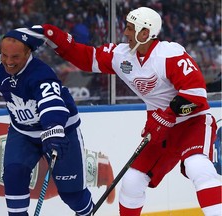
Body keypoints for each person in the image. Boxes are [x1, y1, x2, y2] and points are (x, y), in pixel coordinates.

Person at [33, 7, 222, 216]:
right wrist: (55, 37)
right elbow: (87, 58)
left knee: (197, 166)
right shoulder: (121, 55)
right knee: (132, 181)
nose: (126, 33)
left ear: (145, 33)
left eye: (131, 29)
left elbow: (196, 95)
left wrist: (168, 115)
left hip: (192, 123)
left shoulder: (169, 54)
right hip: (159, 129)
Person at [0, 26, 94, 216]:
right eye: (4, 55)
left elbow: (53, 104)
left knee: (73, 196)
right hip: (23, 133)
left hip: (61, 133)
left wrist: (53, 129)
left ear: (28, 53)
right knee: (14, 176)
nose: (8, 61)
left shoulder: (40, 74)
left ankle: (88, 212)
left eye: (15, 57)